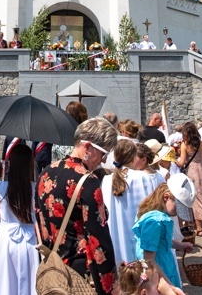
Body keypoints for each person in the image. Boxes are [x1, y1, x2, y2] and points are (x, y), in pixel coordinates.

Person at [35, 117, 118, 294]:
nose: (103, 160)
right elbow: (98, 238)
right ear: (87, 147)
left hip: (54, 266)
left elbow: (41, 223)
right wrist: (109, 285)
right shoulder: (88, 181)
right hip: (80, 269)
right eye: (103, 153)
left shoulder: (45, 173)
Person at [102, 139, 164, 265]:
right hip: (140, 236)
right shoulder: (143, 178)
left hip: (116, 237)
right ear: (133, 157)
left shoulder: (107, 180)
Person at [0, 145, 38, 295]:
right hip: (30, 240)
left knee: (5, 282)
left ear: (11, 163)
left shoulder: (1, 188)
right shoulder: (35, 188)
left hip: (6, 239)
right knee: (30, 281)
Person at [133, 176, 195, 289]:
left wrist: (178, 245)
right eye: (178, 207)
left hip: (163, 266)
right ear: (166, 197)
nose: (177, 213)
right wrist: (170, 287)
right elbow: (149, 259)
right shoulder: (154, 222)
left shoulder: (157, 216)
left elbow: (159, 240)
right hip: (158, 272)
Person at [175, 122, 202, 235]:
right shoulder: (201, 143)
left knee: (195, 199)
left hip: (192, 171)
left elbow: (181, 162)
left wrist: (173, 159)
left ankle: (199, 228)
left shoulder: (185, 144)